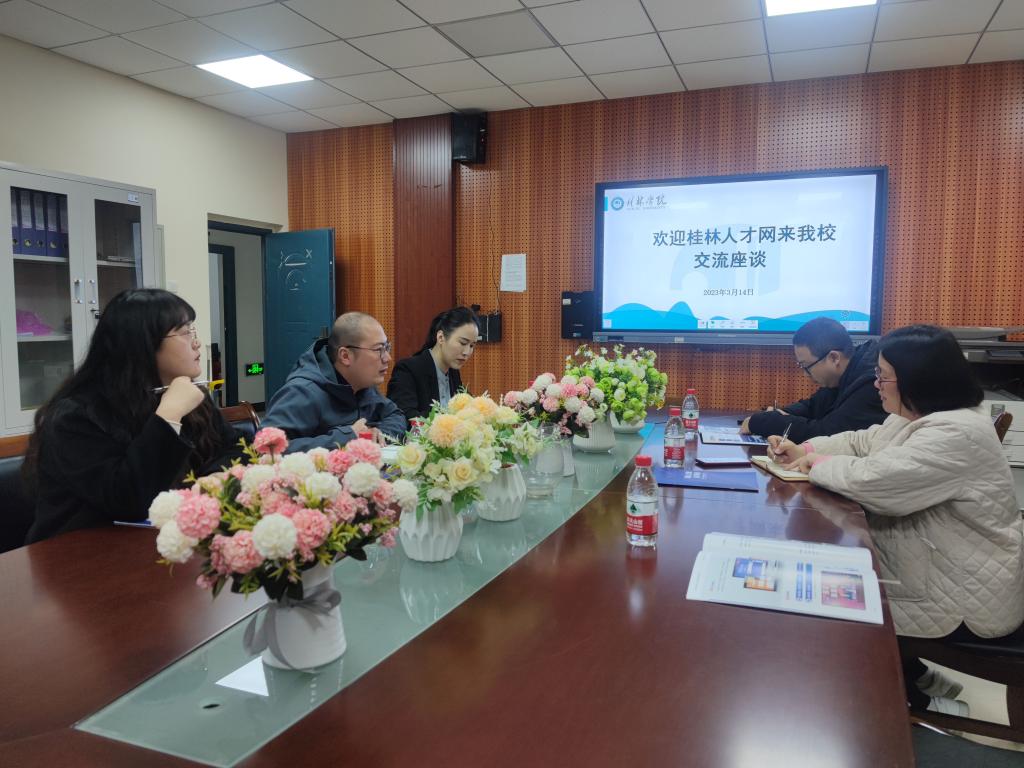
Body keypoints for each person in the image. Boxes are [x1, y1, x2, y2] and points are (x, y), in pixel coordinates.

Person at [769, 325, 1024, 716]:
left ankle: (913, 706)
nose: (876, 384)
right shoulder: (916, 415)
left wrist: (815, 464)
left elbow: (875, 483)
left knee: (822, 608)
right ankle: (919, 679)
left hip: (960, 597)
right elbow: (861, 441)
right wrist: (804, 448)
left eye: (883, 376)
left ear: (917, 379)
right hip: (931, 571)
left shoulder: (956, 433)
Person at [24, 289, 241, 543]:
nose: (196, 342)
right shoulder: (75, 415)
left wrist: (213, 479)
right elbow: (128, 500)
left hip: (162, 541)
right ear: (144, 344)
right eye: (184, 332)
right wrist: (169, 415)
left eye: (192, 330)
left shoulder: (187, 395)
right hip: (81, 551)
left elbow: (237, 447)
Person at [262, 312, 406, 451]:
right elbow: (267, 447)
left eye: (387, 348)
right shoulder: (303, 391)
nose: (387, 358)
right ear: (345, 356)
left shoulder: (361, 384)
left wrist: (381, 432)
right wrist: (347, 437)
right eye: (379, 350)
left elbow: (395, 415)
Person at [741, 316, 887, 443]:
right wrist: (779, 413)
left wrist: (764, 422)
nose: (806, 374)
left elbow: (826, 434)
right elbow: (813, 406)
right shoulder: (847, 370)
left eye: (806, 366)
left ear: (834, 358)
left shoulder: (872, 384)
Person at [387, 306, 479, 420]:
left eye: (472, 345)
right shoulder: (408, 369)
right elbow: (404, 416)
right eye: (463, 343)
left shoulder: (453, 373)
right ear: (441, 337)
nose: (467, 352)